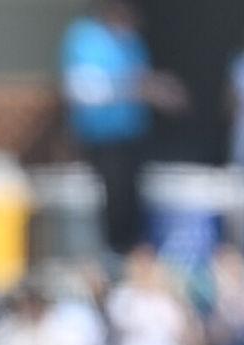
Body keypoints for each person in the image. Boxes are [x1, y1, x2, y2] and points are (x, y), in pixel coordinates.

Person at [59, 0, 187, 255]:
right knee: (109, 201)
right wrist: (136, 89)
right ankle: (109, 254)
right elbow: (79, 89)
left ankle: (129, 253)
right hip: (99, 138)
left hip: (133, 137)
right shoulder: (84, 37)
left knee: (132, 199)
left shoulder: (131, 41)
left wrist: (160, 91)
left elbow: (143, 81)